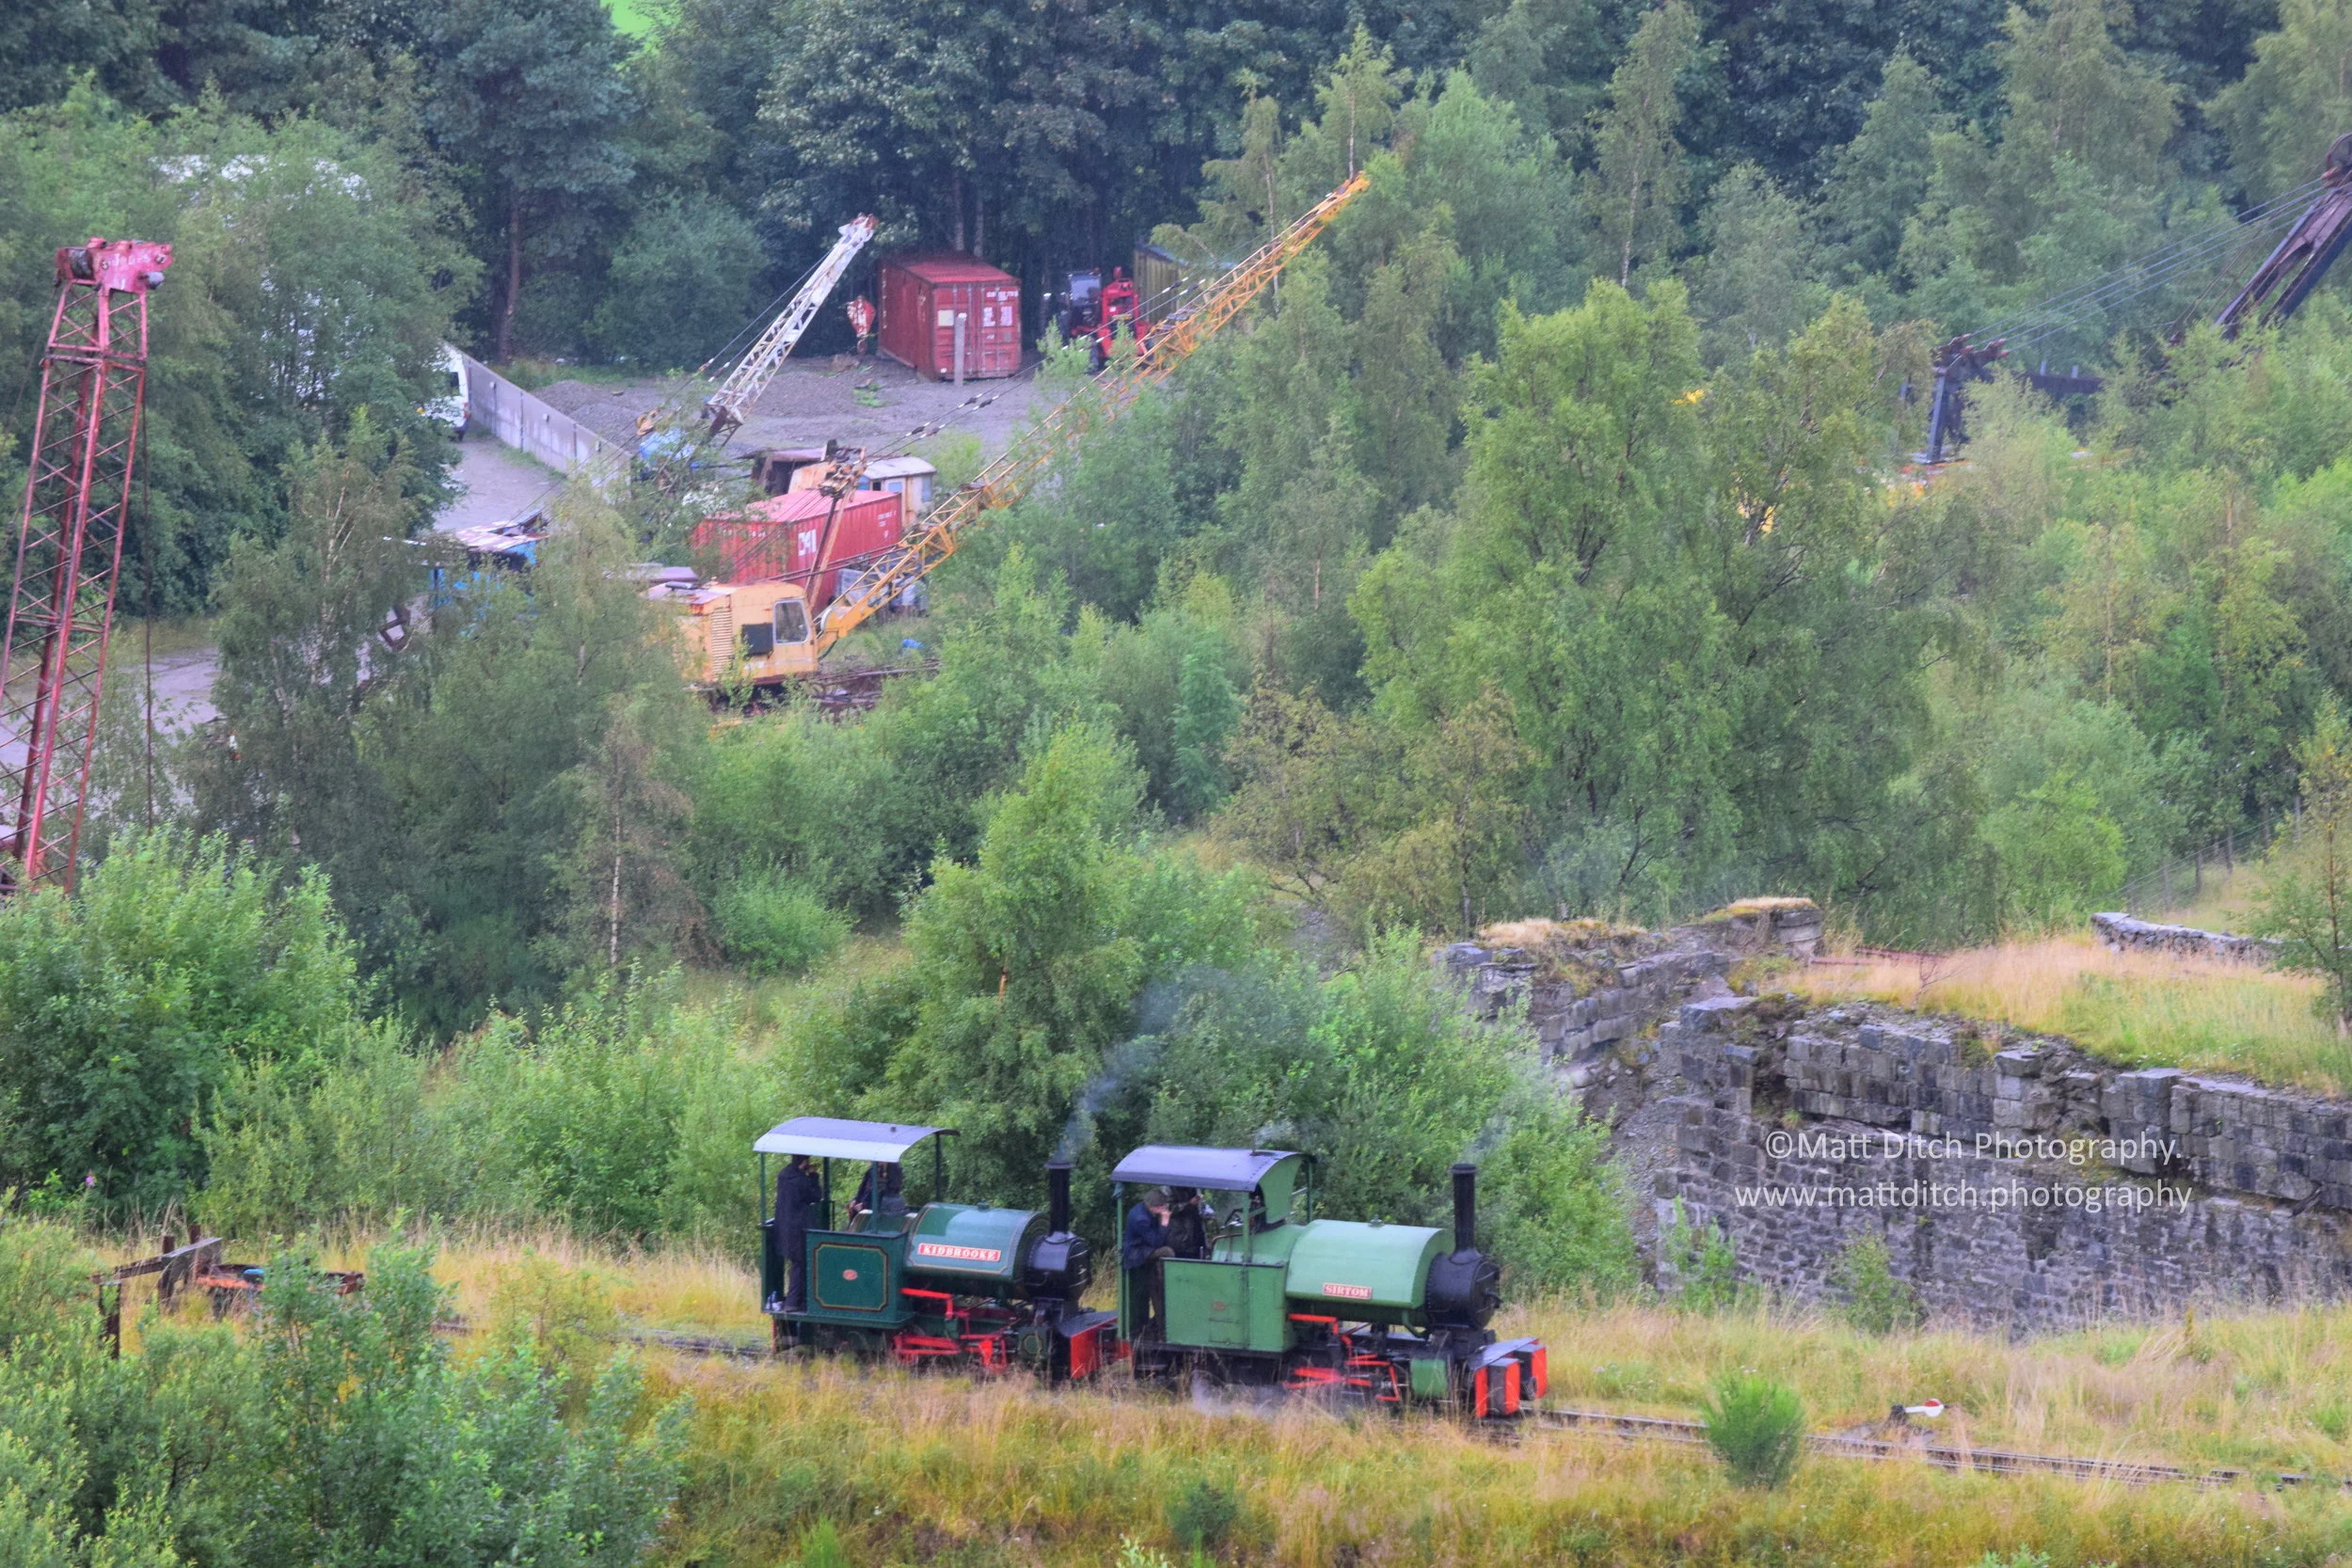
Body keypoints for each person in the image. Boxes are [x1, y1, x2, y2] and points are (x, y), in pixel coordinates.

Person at [772, 1154, 823, 1314]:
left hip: (784, 1225)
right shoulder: (800, 1180)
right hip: (798, 1227)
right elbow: (815, 1196)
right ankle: (793, 1302)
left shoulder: (783, 1175)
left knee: (796, 1263)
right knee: (800, 1263)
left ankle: (794, 1299)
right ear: (804, 1163)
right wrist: (814, 1176)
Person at [1121, 1187, 1175, 1338]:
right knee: (1167, 1252)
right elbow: (1156, 1241)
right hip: (1137, 1254)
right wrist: (1165, 1221)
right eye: (1163, 1206)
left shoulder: (1146, 1211)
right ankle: (1168, 1280)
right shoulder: (1141, 1218)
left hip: (1145, 1249)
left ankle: (1162, 1277)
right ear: (1155, 1206)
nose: (1165, 1208)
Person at [1166, 1186, 1214, 1260]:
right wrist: (1188, 1204)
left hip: (1197, 1237)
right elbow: (1167, 1209)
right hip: (1179, 1239)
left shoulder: (1195, 1187)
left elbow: (1199, 1206)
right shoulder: (1168, 1188)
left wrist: (1206, 1212)